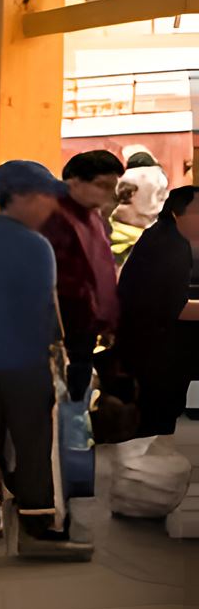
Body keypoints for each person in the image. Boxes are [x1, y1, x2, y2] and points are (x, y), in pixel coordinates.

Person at [0, 160, 90, 559]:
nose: (51, 207)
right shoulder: (35, 246)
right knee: (33, 442)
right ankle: (37, 528)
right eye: (45, 197)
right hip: (26, 358)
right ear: (21, 197)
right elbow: (47, 308)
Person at [116, 186, 199, 437]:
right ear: (177, 213)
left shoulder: (164, 236)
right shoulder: (169, 246)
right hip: (154, 356)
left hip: (151, 352)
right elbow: (176, 308)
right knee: (154, 424)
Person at [41, 150, 124, 402]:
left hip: (86, 318)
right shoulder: (52, 216)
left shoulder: (93, 217)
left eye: (112, 187)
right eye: (102, 185)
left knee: (78, 380)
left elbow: (102, 266)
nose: (109, 194)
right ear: (74, 181)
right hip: (62, 320)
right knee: (61, 385)